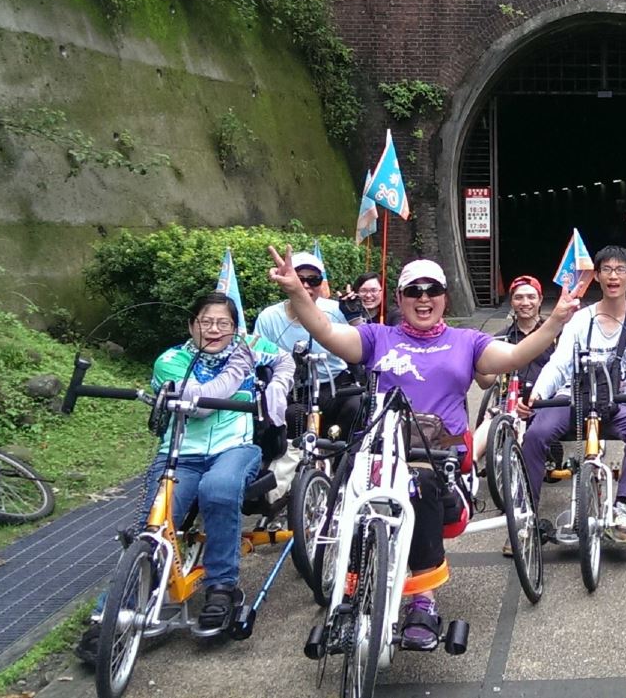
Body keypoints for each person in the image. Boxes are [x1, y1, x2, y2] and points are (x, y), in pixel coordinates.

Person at [266, 250, 575, 650]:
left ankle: (423, 600)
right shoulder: (377, 337)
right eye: (414, 290)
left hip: (439, 460)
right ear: (400, 298)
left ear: (446, 298)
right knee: (349, 493)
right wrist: (297, 293)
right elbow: (327, 332)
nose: (423, 298)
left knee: (420, 482)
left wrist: (555, 320)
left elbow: (515, 356)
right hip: (380, 449)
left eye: (433, 290)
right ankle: (350, 592)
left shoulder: (468, 342)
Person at [76, 292, 293, 662]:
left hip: (235, 448)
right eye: (206, 321)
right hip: (180, 454)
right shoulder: (172, 360)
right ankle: (109, 616)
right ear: (191, 324)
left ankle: (222, 587)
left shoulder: (249, 345)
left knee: (220, 490)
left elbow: (285, 358)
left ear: (235, 326)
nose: (214, 329)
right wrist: (240, 368)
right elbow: (200, 404)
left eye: (223, 323)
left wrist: (277, 386)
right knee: (154, 524)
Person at [521, 247, 626, 543]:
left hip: (617, 405)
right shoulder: (580, 319)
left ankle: (622, 507)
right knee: (536, 434)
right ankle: (527, 515)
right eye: (607, 270)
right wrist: (537, 394)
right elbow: (559, 364)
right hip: (573, 400)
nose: (614, 276)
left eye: (621, 270)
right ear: (597, 276)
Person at [256, 252, 363, 438]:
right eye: (300, 279)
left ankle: (342, 460)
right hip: (295, 390)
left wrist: (354, 319)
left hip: (334, 385)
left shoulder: (336, 310)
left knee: (357, 404)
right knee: (292, 416)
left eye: (313, 280)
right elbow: (258, 358)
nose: (306, 285)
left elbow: (364, 345)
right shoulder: (269, 317)